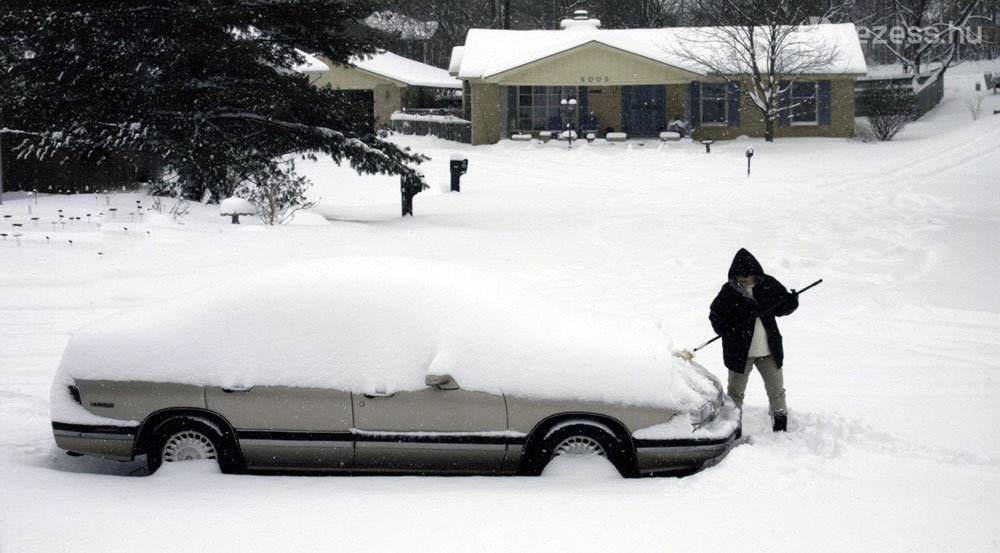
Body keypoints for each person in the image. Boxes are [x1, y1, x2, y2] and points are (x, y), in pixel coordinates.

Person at [709, 248, 799, 432]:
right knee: (735, 395)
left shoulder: (768, 285)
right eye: (738, 275)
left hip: (769, 352)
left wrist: (791, 301)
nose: (742, 279)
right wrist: (726, 329)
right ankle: (734, 429)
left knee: (776, 391)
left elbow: (781, 308)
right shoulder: (729, 291)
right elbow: (715, 315)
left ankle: (780, 426)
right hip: (740, 353)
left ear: (755, 274)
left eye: (746, 275)